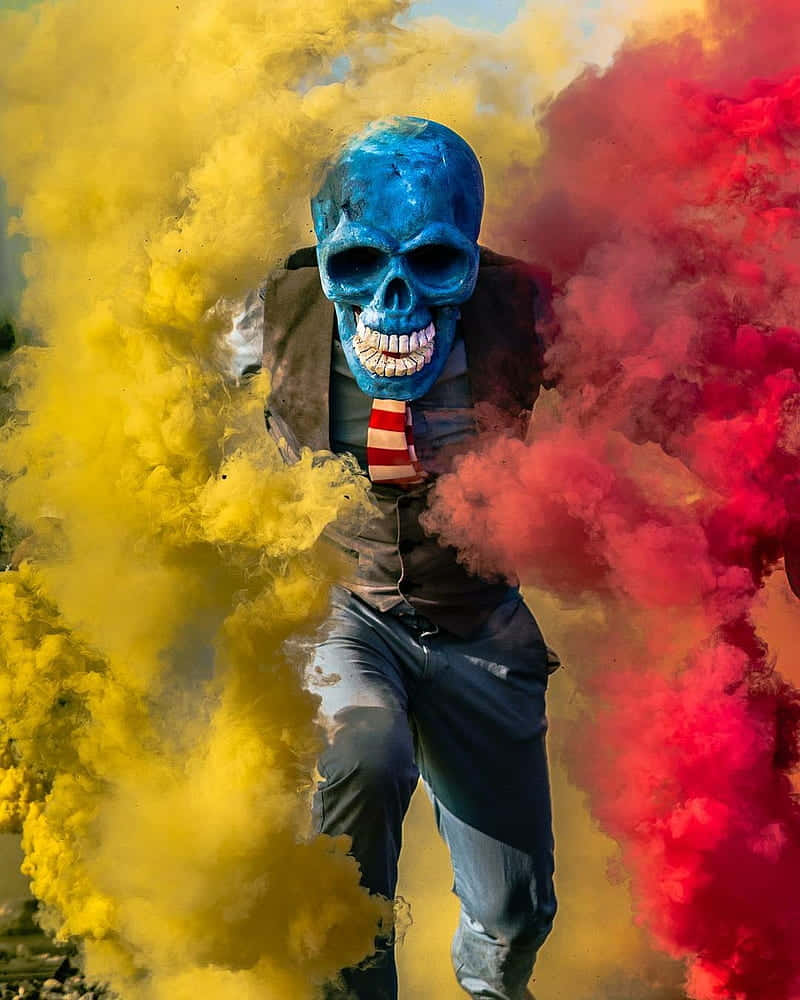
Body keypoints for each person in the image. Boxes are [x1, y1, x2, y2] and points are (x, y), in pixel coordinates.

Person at [260, 117, 560, 1000]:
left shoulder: (527, 308)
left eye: (432, 266)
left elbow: (657, 386)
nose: (394, 304)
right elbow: (143, 383)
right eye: (359, 268)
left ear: (470, 253)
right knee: (362, 748)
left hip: (480, 619)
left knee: (516, 916)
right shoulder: (271, 313)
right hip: (345, 606)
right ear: (324, 257)